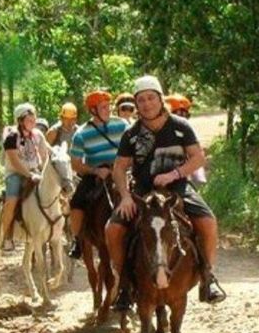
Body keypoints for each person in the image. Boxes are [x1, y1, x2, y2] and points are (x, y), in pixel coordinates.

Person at [106, 75, 226, 311]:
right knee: (113, 229)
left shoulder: (181, 127)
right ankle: (123, 284)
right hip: (142, 193)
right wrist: (126, 196)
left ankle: (208, 277)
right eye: (141, 100)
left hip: (178, 189)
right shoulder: (131, 134)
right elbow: (119, 167)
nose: (146, 104)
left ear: (160, 99)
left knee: (208, 222)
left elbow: (198, 158)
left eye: (151, 98)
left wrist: (174, 174)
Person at [66, 90, 129, 259]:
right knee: (76, 202)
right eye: (103, 107)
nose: (108, 110)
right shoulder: (81, 134)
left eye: (108, 106)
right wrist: (95, 170)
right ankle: (77, 240)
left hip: (123, 171)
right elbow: (76, 164)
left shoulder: (123, 125)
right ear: (93, 110)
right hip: (96, 174)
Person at [0, 103, 50, 251]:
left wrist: (45, 172)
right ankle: (6, 235)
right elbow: (14, 162)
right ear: (20, 121)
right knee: (12, 199)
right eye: (29, 120)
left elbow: (45, 155)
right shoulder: (11, 137)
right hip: (16, 173)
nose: (33, 122)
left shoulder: (38, 135)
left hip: (36, 171)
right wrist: (30, 175)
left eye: (33, 119)